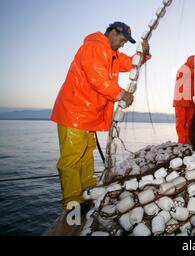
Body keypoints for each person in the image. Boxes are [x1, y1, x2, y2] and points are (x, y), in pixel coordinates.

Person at [51, 22, 151, 211]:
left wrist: (144, 55)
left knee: (86, 154)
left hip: (87, 115)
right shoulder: (95, 46)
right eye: (122, 40)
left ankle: (87, 192)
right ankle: (73, 203)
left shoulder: (112, 54)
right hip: (74, 112)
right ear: (113, 32)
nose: (122, 45)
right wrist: (122, 94)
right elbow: (96, 77)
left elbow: (130, 62)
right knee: (72, 159)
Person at [173, 55, 195, 144]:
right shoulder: (184, 69)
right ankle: (182, 141)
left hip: (188, 100)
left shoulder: (191, 72)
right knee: (181, 121)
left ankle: (188, 139)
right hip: (180, 100)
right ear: (191, 61)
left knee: (191, 119)